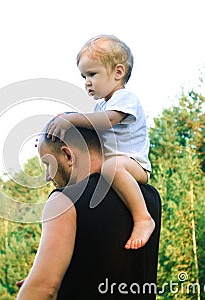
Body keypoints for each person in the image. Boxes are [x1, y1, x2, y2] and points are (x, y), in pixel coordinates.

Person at [16, 121, 161, 299]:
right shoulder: (148, 197)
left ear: (68, 155)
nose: (47, 176)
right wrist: (52, 275)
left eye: (48, 164)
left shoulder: (64, 200)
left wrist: (38, 286)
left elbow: (44, 289)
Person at [47, 34, 155, 250]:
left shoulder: (125, 98)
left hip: (134, 165)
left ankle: (143, 218)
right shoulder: (100, 107)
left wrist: (71, 118)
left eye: (92, 74)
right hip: (113, 167)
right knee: (101, 171)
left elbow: (108, 121)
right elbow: (90, 142)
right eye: (83, 76)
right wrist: (54, 154)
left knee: (110, 166)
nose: (87, 82)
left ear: (118, 72)